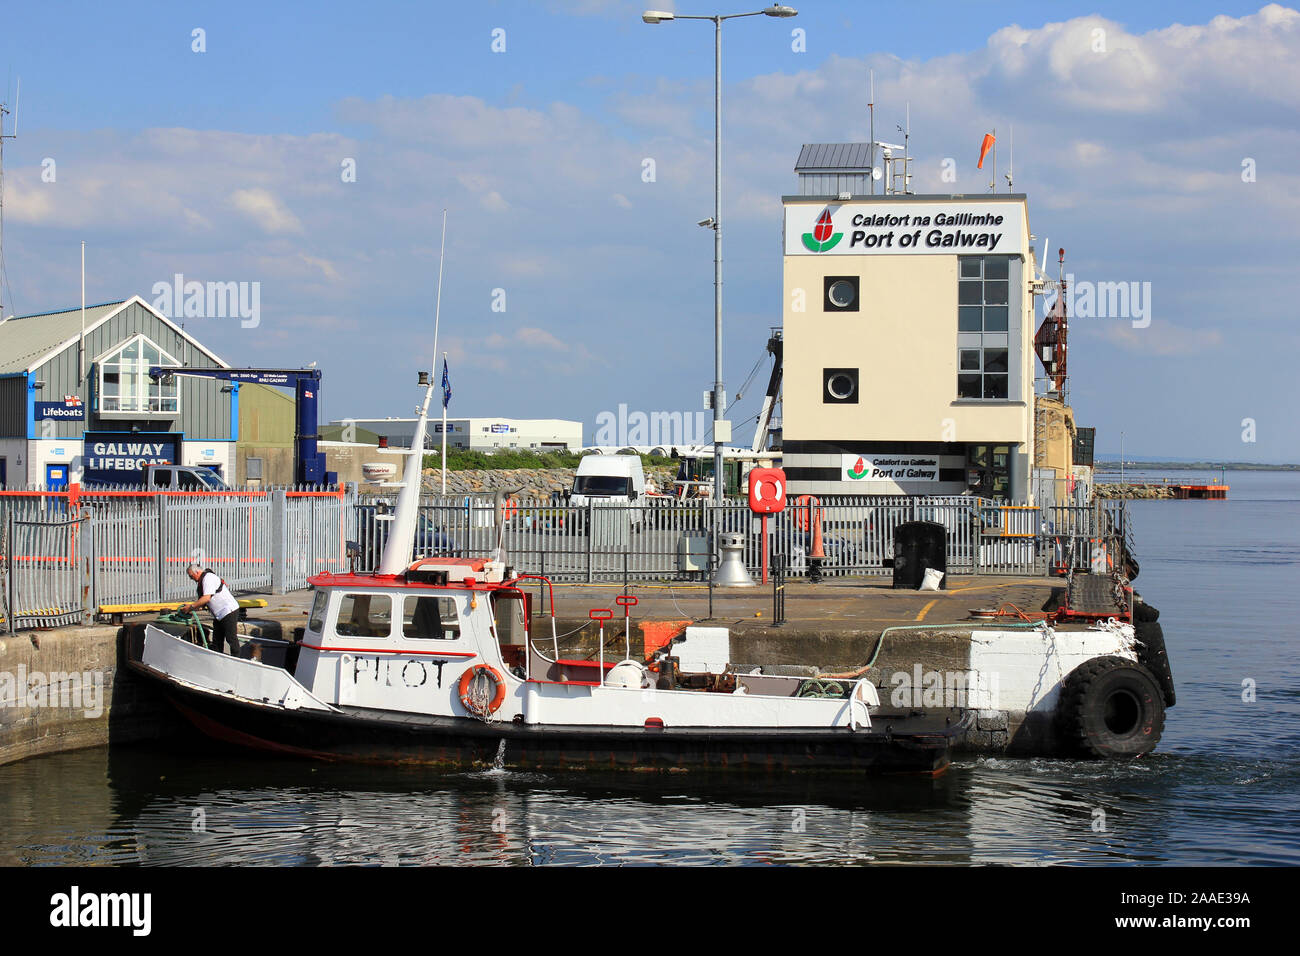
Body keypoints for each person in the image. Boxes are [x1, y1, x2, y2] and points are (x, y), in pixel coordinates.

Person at [182, 563, 241, 655]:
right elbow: (202, 604)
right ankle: (217, 656)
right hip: (219, 615)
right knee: (217, 639)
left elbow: (206, 598)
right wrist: (189, 608)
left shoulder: (208, 578)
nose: (191, 579)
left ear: (197, 572)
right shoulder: (202, 581)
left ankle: (237, 658)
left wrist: (191, 607)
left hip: (228, 611)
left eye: (191, 576)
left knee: (231, 638)